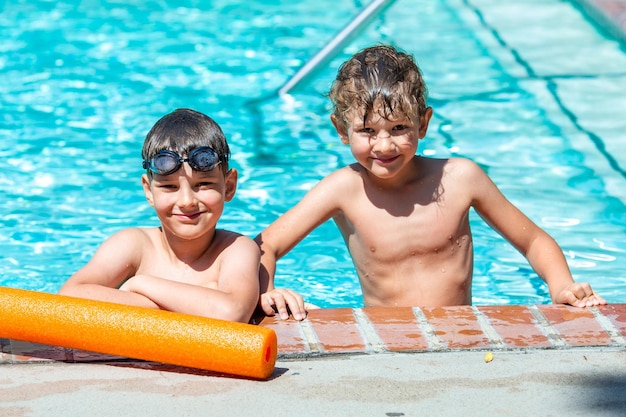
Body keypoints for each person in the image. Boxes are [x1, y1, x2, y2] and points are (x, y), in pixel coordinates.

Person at [255, 44, 606, 321]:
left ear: (423, 124)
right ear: (340, 130)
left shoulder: (460, 178)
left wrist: (561, 285)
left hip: (462, 337)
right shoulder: (343, 189)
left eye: (399, 129)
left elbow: (533, 241)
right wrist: (268, 290)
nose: (384, 145)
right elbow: (265, 245)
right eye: (367, 131)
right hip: (384, 340)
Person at [60, 108, 260, 323]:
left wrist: (140, 285)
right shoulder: (134, 244)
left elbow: (231, 313)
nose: (187, 201)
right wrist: (197, 303)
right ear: (149, 191)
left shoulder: (235, 249)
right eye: (169, 186)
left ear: (228, 186)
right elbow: (70, 298)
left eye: (203, 184)